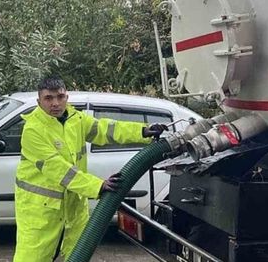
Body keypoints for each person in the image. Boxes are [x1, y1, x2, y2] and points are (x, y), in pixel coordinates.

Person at [13, 76, 168, 262]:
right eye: (48, 98)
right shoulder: (33, 130)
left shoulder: (75, 119)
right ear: (39, 102)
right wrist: (98, 186)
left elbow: (106, 130)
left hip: (74, 208)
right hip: (41, 211)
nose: (55, 103)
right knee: (33, 258)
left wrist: (142, 131)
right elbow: (59, 170)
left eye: (60, 97)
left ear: (66, 97)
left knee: (76, 256)